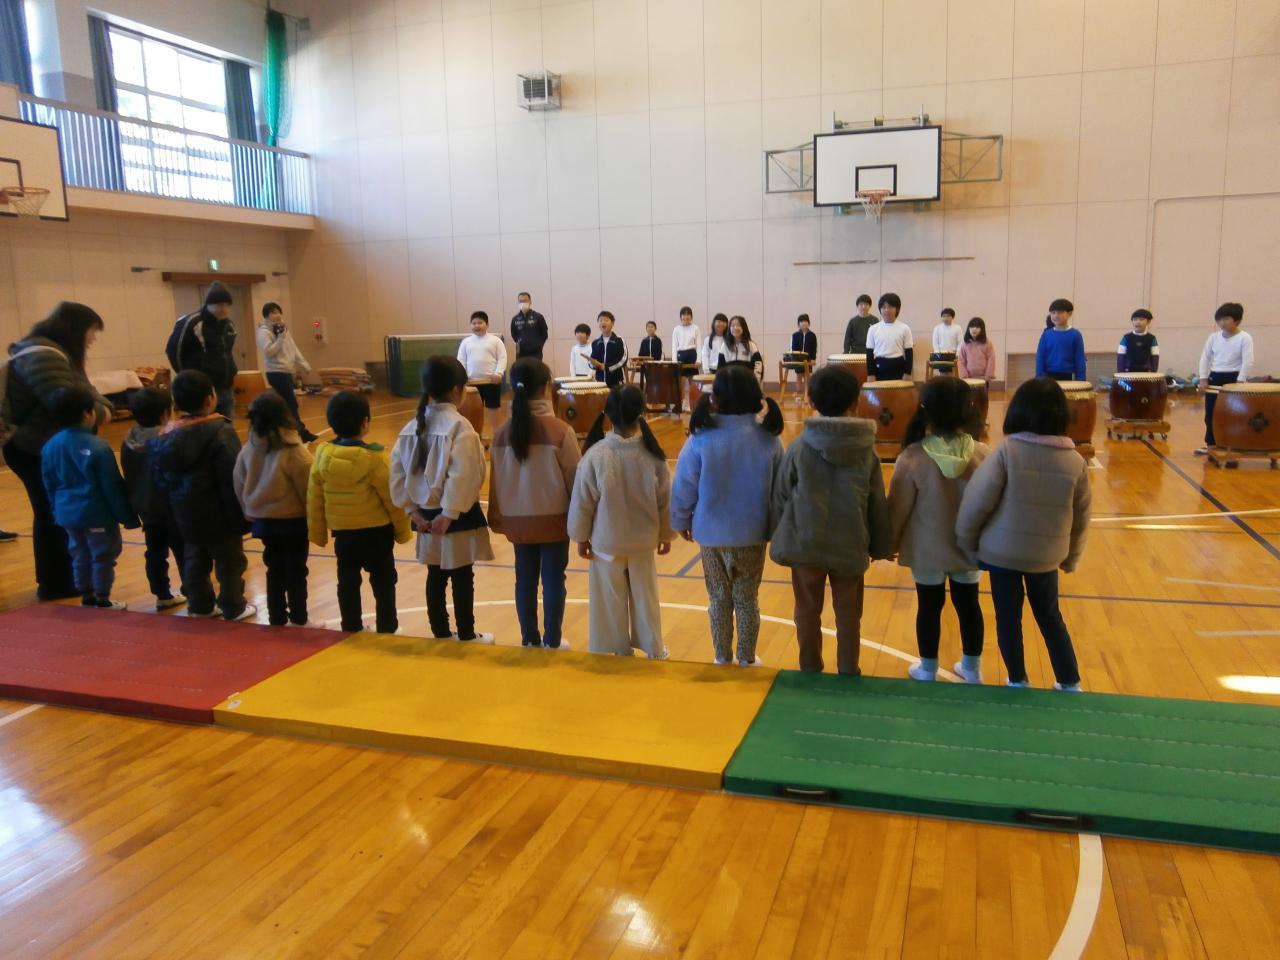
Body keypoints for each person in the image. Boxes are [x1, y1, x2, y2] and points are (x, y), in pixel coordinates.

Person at [956, 377, 1091, 691]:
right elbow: (1081, 517)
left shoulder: (1006, 452)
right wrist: (1071, 558)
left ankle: (1017, 678)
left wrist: (966, 541)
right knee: (1050, 616)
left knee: (1008, 618)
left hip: (1002, 554)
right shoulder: (1075, 462)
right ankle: (1069, 681)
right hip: (1046, 558)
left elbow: (977, 502)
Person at [771, 366, 892, 675]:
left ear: (811, 401)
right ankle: (849, 669)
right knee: (849, 615)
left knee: (806, 610)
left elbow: (781, 494)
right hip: (850, 542)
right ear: (856, 402)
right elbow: (876, 502)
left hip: (805, 541)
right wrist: (881, 546)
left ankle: (810, 666)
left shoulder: (799, 446)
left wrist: (779, 533)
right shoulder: (867, 451)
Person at [671, 363, 784, 666]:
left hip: (711, 536)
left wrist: (681, 519)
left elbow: (683, 485)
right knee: (747, 599)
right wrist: (776, 526)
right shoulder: (769, 439)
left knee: (718, 598)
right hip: (752, 534)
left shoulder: (700, 438)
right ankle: (747, 657)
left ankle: (722, 656)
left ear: (716, 397)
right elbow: (781, 490)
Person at [3, 302, 113, 599]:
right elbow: (68, 404)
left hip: (41, 445)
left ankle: (62, 581)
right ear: (77, 329)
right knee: (52, 514)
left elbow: (86, 395)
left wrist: (101, 407)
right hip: (33, 448)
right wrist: (102, 411)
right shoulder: (44, 355)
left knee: (55, 513)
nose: (92, 339)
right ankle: (55, 584)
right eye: (92, 331)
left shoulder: (51, 352)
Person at [888, 378, 989, 683]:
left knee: (929, 606)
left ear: (925, 410)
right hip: (969, 548)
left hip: (926, 550)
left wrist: (888, 543)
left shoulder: (912, 457)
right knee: (969, 605)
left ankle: (928, 669)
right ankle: (972, 668)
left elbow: (897, 509)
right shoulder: (983, 454)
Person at [389, 358, 494, 643]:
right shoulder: (461, 427)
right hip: (454, 516)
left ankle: (440, 632)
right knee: (461, 576)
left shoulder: (410, 428)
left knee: (435, 574)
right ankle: (467, 634)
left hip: (425, 517)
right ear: (458, 390)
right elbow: (465, 475)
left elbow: (397, 473)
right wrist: (448, 513)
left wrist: (413, 511)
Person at [568, 385, 673, 658]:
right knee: (646, 599)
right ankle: (653, 648)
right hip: (642, 543)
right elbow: (665, 501)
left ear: (608, 414)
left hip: (607, 542)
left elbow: (582, 503)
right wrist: (666, 534)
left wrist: (580, 537)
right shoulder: (653, 456)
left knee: (608, 600)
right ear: (642, 414)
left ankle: (615, 649)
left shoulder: (595, 455)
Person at [488, 358, 581, 649]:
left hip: (517, 521)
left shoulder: (500, 433)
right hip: (554, 521)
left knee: (524, 580)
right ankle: (552, 640)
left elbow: (496, 484)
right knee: (554, 580)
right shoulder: (560, 430)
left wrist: (499, 518)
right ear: (545, 388)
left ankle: (529, 638)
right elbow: (575, 481)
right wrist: (582, 522)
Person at [151, 370, 256, 621]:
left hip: (184, 510)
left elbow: (161, 480)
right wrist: (240, 517)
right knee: (230, 561)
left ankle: (200, 606)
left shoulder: (165, 436)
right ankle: (233, 606)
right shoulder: (220, 430)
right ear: (210, 398)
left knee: (194, 558)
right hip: (218, 511)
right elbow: (232, 477)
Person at [310, 390, 412, 634]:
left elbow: (314, 498)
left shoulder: (322, 455)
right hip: (376, 534)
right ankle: (387, 627)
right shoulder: (375, 458)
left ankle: (351, 626)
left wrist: (317, 533)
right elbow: (393, 499)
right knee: (384, 582)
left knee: (347, 581)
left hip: (343, 535)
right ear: (365, 422)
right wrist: (403, 531)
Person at [40, 386, 139, 611]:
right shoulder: (98, 447)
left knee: (79, 553)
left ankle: (86, 594)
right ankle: (102, 598)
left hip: (67, 513)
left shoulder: (50, 446)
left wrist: (56, 511)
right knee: (102, 554)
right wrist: (128, 517)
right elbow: (112, 487)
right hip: (97, 514)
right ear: (87, 413)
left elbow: (49, 484)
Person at [233, 391, 314, 627]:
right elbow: (308, 489)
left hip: (263, 521)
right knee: (296, 570)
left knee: (274, 569)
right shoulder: (295, 451)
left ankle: (276, 618)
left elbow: (238, 483)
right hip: (293, 521)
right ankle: (299, 618)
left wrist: (248, 510)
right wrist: (313, 516)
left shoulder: (248, 450)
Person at [121, 387, 186, 611]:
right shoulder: (171, 437)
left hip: (146, 506)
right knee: (184, 551)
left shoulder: (129, 440)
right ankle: (194, 591)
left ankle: (162, 594)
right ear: (165, 413)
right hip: (172, 505)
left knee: (155, 551)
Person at [167, 282, 238, 418]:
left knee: (226, 425)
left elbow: (227, 353)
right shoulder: (192, 323)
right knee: (201, 425)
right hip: (201, 389)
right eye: (219, 305)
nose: (223, 309)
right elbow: (173, 351)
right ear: (208, 304)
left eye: (226, 305)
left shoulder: (229, 325)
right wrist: (187, 377)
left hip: (225, 387)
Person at [1196, 302, 1254, 455]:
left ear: (1237, 321)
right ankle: (1211, 444)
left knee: (1233, 415)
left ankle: (1233, 445)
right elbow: (1205, 358)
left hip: (1234, 378)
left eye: (1226, 319)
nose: (1222, 322)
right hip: (1215, 377)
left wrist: (1240, 381)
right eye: (1219, 319)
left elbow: (1248, 361)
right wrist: (1203, 379)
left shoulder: (1244, 338)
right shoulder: (1213, 338)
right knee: (1210, 414)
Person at [256, 302, 317, 442]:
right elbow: (268, 352)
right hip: (276, 372)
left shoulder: (283, 329)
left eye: (278, 312)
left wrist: (305, 365)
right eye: (273, 312)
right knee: (291, 403)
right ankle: (301, 433)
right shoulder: (264, 332)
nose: (277, 315)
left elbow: (293, 348)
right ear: (266, 315)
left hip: (287, 371)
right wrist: (280, 339)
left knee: (283, 404)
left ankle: (281, 433)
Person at [456, 310, 508, 439]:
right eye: (474, 323)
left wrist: (498, 373)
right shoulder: (466, 342)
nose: (477, 325)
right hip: (471, 385)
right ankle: (474, 439)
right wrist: (462, 377)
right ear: (470, 325)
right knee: (472, 413)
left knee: (494, 412)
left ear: (487, 324)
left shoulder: (495, 341)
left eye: (480, 322)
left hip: (491, 383)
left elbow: (502, 358)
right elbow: (461, 360)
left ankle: (498, 439)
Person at [1035, 298, 1085, 381]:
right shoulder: (1046, 335)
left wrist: (1081, 379)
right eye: (1053, 313)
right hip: (1048, 375)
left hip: (1068, 374)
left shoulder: (1075, 334)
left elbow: (1080, 358)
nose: (1056, 315)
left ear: (1069, 313)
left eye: (1060, 312)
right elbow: (1040, 357)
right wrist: (1039, 377)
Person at [868, 293, 913, 380]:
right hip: (879, 367)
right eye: (883, 307)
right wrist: (870, 374)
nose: (886, 310)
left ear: (897, 309)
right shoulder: (873, 329)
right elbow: (869, 353)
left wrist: (907, 373)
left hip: (899, 367)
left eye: (890, 307)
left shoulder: (905, 328)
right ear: (880, 309)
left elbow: (909, 353)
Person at [780, 314, 818, 393]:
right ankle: (799, 392)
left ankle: (807, 393)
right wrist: (792, 358)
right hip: (797, 359)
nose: (804, 323)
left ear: (809, 323)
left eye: (805, 321)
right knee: (799, 375)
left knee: (807, 376)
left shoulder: (812, 335)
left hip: (808, 359)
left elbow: (814, 348)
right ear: (798, 324)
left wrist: (813, 359)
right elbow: (792, 348)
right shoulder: (795, 335)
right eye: (801, 321)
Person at [590, 310, 629, 387]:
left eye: (606, 320)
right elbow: (592, 358)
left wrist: (607, 367)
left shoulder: (619, 340)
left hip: (616, 381)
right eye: (600, 320)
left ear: (612, 323)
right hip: (599, 381)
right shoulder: (596, 342)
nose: (603, 322)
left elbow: (623, 359)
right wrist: (593, 364)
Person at [1116, 309, 1159, 373]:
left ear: (1148, 322)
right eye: (1135, 319)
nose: (1138, 322)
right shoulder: (1126, 337)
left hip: (1146, 373)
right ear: (1132, 321)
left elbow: (1155, 358)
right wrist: (1120, 373)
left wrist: (1153, 373)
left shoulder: (1152, 338)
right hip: (1128, 372)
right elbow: (1120, 357)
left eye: (1141, 319)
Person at [510, 291, 548, 360]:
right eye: (521, 301)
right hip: (521, 353)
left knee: (535, 367)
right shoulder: (515, 319)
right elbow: (514, 335)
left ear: (530, 302)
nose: (523, 303)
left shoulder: (538, 317)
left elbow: (544, 334)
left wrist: (538, 345)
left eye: (525, 301)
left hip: (536, 353)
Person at [931, 307, 963, 373]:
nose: (945, 318)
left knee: (952, 374)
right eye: (943, 316)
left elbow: (960, 343)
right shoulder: (937, 328)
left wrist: (957, 354)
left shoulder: (958, 328)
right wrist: (938, 353)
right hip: (941, 355)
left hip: (953, 355)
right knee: (943, 373)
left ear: (952, 317)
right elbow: (935, 343)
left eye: (948, 316)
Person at [671, 306, 700, 376]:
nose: (686, 317)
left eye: (688, 314)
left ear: (691, 316)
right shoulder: (676, 329)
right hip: (681, 356)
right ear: (680, 317)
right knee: (681, 378)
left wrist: (698, 360)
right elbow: (674, 346)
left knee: (693, 379)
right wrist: (674, 361)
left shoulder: (696, 328)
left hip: (692, 356)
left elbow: (699, 345)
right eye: (684, 315)